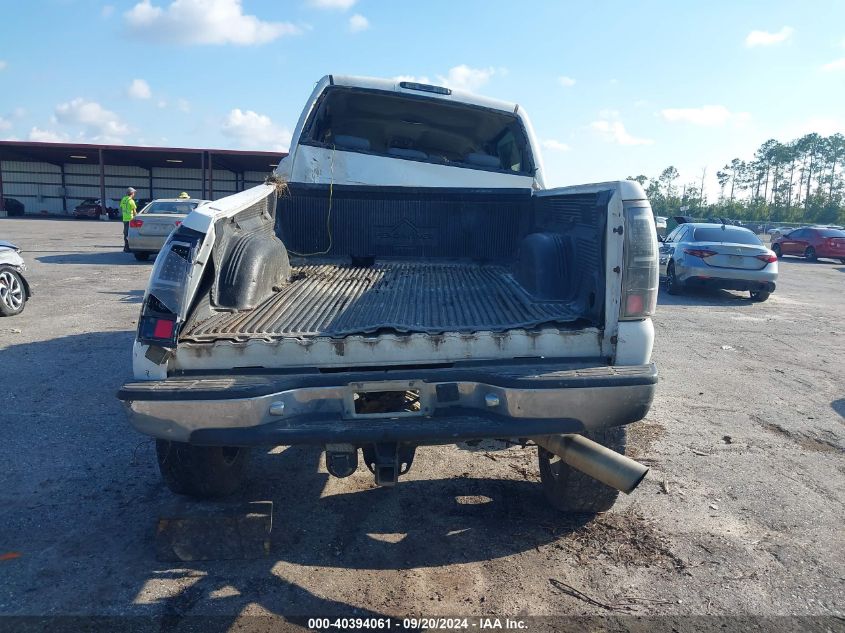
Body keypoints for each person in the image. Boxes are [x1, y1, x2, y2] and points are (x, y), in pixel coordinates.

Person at [120, 187, 137, 252]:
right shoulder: (131, 201)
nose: (134, 194)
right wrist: (137, 217)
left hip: (125, 219)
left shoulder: (123, 199)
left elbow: (122, 208)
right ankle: (128, 247)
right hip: (131, 219)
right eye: (134, 193)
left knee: (126, 233)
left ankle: (126, 247)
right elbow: (134, 211)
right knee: (130, 234)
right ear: (132, 193)